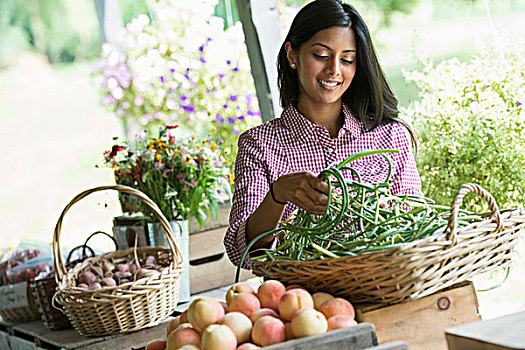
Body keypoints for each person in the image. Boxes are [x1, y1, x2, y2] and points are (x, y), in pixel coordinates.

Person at [224, 0, 422, 269]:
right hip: (304, 300)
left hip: (383, 286)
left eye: (348, 59)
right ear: (292, 55)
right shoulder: (259, 145)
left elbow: (415, 227)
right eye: (321, 55)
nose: (334, 70)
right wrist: (278, 195)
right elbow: (243, 252)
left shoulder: (390, 136)